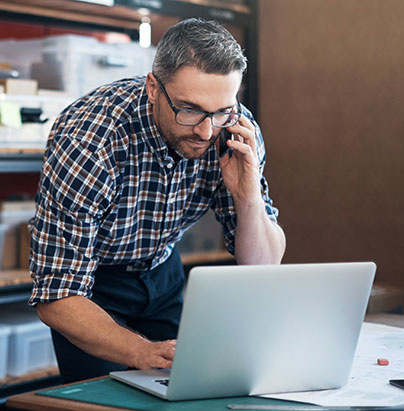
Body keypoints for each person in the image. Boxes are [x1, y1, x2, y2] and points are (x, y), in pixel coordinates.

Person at [29, 18, 286, 383]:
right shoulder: (90, 141)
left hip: (163, 270)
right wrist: (141, 352)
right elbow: (56, 295)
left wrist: (248, 199)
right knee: (107, 404)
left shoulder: (234, 129)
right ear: (153, 87)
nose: (205, 131)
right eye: (189, 109)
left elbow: (262, 266)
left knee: (188, 391)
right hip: (91, 287)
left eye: (221, 111)